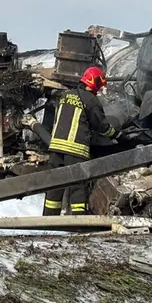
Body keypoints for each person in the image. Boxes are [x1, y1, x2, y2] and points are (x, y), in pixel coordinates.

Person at [43, 66, 119, 216]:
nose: (98, 89)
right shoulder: (91, 100)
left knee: (54, 186)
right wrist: (115, 134)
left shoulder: (65, 95)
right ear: (94, 82)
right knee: (77, 186)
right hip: (75, 149)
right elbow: (101, 126)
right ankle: (78, 222)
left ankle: (48, 221)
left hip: (56, 147)